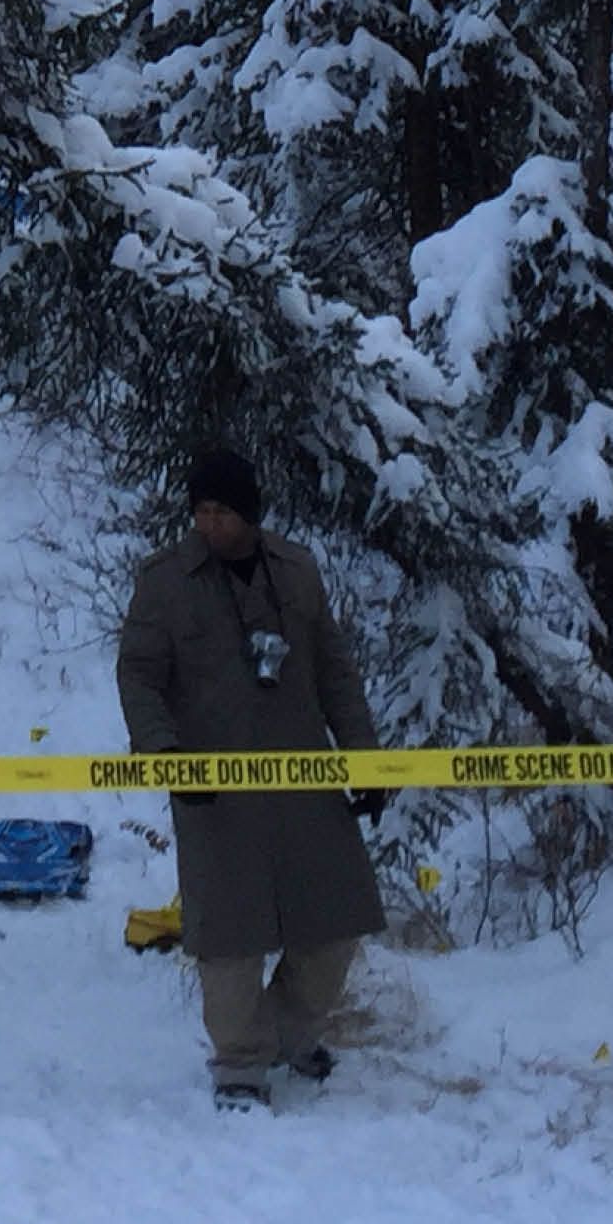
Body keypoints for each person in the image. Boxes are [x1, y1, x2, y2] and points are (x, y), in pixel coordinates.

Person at [115, 444, 388, 1111]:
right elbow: (139, 675)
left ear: (250, 512)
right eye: (201, 511)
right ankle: (239, 1063)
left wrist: (364, 760)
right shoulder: (165, 581)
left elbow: (334, 672)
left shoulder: (296, 572)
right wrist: (167, 754)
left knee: (333, 923)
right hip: (215, 789)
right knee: (230, 940)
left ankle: (291, 1035)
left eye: (223, 511)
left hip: (304, 777)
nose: (211, 524)